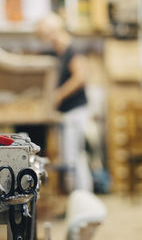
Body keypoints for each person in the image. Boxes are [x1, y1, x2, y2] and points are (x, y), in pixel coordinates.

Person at [37, 13, 93, 192]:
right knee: (70, 158)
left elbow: (80, 78)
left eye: (45, 36)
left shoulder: (72, 50)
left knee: (74, 158)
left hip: (75, 111)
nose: (46, 41)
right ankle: (76, 198)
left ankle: (81, 197)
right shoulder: (60, 53)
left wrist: (57, 96)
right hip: (67, 112)